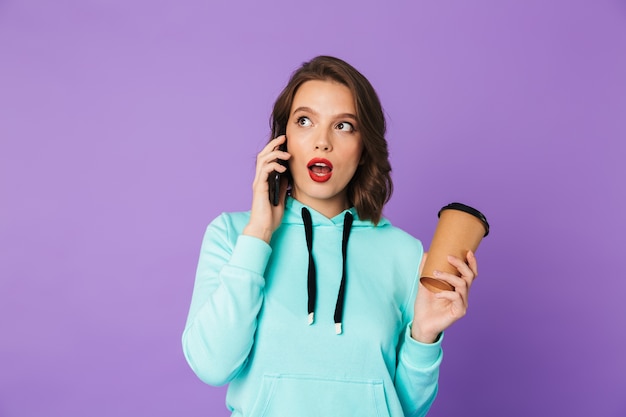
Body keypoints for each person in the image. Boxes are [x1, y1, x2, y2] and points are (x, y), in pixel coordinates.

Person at [182, 55, 478, 417]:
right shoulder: (232, 235)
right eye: (305, 121)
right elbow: (212, 365)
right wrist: (259, 235)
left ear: (364, 145)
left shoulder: (403, 252)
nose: (322, 142)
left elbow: (406, 408)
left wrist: (425, 336)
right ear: (282, 139)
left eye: (344, 126)